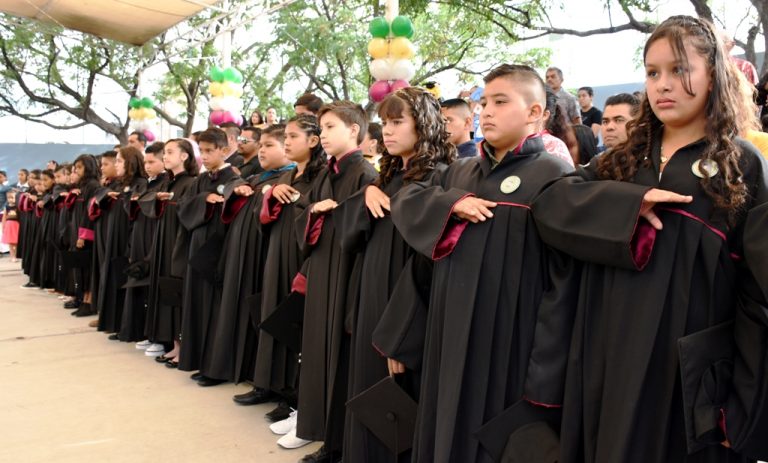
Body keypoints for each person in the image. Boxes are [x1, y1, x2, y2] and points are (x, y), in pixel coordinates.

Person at [532, 15, 768, 462]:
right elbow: (549, 206)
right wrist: (628, 206)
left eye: (680, 70)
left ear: (714, 75)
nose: (663, 85)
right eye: (653, 72)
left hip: (687, 379)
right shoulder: (622, 161)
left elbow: (756, 298)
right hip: (604, 358)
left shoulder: (742, 166)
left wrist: (741, 406)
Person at [388, 64, 574, 463]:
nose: (485, 111)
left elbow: (564, 282)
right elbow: (410, 208)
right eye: (483, 102)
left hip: (509, 343)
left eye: (501, 102)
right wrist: (449, 203)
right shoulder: (460, 170)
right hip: (448, 335)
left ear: (535, 112)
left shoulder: (554, 174)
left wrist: (545, 373)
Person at [339, 87, 455, 463]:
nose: (387, 131)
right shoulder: (386, 177)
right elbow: (352, 239)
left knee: (403, 397)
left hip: (406, 306)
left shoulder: (440, 179)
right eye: (385, 123)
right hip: (373, 296)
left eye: (397, 122)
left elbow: (429, 261)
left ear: (422, 125)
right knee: (370, 389)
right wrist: (368, 195)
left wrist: (404, 334)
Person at [294, 101, 377, 463]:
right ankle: (323, 433)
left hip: (347, 272)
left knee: (341, 359)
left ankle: (339, 443)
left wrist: (338, 210)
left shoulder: (366, 174)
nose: (322, 136)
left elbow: (366, 227)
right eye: (321, 129)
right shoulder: (328, 173)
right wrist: (315, 210)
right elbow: (305, 213)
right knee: (318, 352)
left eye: (329, 128)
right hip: (324, 269)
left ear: (354, 130)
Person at [248, 115, 326, 439]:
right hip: (278, 255)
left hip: (302, 258)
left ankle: (298, 401)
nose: (289, 142)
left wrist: (299, 201)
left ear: (313, 140)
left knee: (300, 330)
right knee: (277, 320)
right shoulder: (289, 175)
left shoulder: (321, 176)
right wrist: (272, 194)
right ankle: (279, 390)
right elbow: (263, 218)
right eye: (287, 136)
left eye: (294, 136)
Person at [199, 124, 295, 387]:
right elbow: (231, 187)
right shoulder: (257, 177)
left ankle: (256, 376)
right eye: (261, 145)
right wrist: (238, 189)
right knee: (233, 309)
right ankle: (227, 367)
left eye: (269, 145)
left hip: (263, 258)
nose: (262, 150)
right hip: (240, 256)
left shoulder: (287, 180)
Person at [176, 128, 239, 379]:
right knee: (196, 304)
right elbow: (184, 208)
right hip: (197, 246)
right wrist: (204, 198)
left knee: (214, 307)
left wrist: (218, 198)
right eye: (201, 151)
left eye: (210, 151)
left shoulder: (234, 176)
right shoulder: (200, 181)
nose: (205, 156)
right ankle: (198, 359)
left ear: (224, 150)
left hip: (218, 249)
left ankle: (214, 367)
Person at [142, 138, 199, 368]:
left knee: (178, 294)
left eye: (169, 152)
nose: (164, 157)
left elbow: (191, 210)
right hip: (163, 241)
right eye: (164, 153)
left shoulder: (192, 182)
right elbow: (147, 201)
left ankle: (183, 347)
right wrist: (156, 198)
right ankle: (173, 344)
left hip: (179, 242)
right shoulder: (166, 182)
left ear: (185, 156)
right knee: (167, 293)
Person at [2, 191, 19, 262]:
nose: (10, 199)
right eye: (9, 198)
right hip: (9, 225)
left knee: (16, 242)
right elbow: (4, 217)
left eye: (12, 198)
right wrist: (3, 226)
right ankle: (12, 256)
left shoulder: (17, 206)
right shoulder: (6, 207)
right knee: (10, 242)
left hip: (16, 225)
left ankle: (15, 256)